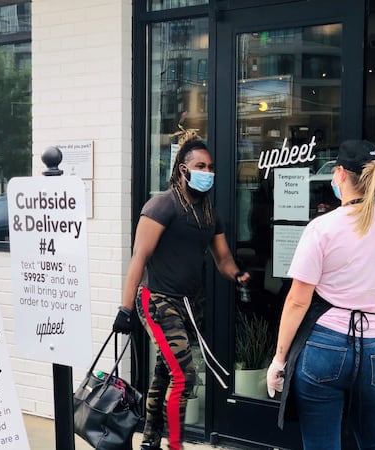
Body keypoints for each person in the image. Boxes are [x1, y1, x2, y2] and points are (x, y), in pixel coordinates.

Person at [266, 140, 375, 450]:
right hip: (374, 348)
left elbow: (298, 300)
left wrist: (279, 360)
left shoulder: (321, 228)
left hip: (324, 346)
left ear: (339, 174)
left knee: (322, 443)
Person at [113, 138, 250, 450]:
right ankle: (175, 445)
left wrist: (238, 275)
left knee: (165, 372)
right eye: (200, 166)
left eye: (211, 167)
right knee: (184, 375)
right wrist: (125, 309)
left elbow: (223, 259)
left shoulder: (208, 212)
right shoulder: (162, 205)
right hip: (157, 300)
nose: (207, 172)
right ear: (182, 169)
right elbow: (139, 257)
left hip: (189, 304)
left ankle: (149, 442)